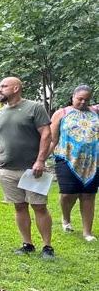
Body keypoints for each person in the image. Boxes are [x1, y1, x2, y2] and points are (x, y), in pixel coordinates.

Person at [0, 77, 54, 258]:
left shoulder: (34, 108)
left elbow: (46, 135)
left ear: (16, 88)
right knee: (19, 206)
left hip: (33, 169)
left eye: (4, 86)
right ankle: (28, 244)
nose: (0, 89)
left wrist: (40, 161)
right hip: (7, 169)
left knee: (39, 206)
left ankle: (47, 247)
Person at [49, 85, 98, 241]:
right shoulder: (61, 113)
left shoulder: (95, 113)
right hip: (66, 158)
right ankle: (66, 218)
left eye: (87, 99)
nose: (83, 102)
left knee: (89, 195)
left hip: (92, 161)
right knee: (68, 193)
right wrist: (41, 159)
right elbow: (52, 138)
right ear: (73, 97)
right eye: (80, 99)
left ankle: (87, 232)